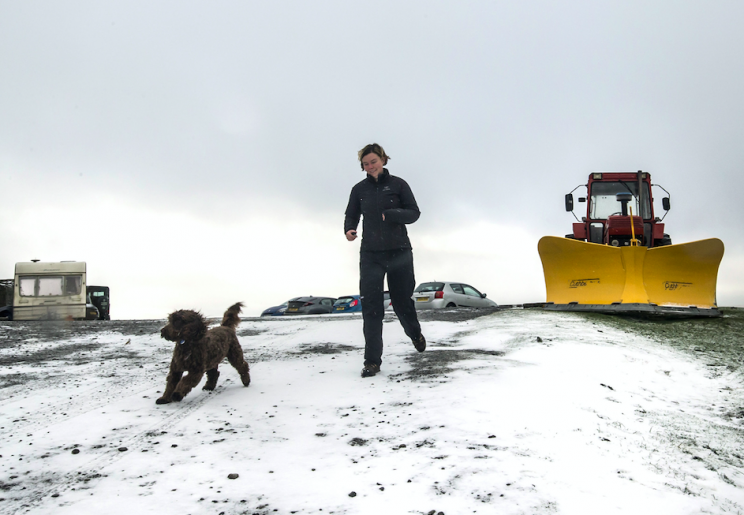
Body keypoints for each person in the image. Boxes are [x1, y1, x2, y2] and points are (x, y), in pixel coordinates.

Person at [344, 143, 426, 378]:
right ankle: (372, 361)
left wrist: (391, 214)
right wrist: (350, 229)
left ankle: (415, 333)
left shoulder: (399, 185)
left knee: (401, 303)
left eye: (373, 161)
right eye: (365, 164)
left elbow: (414, 213)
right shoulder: (359, 190)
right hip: (371, 255)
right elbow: (351, 213)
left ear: (382, 159)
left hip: (399, 252)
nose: (369, 166)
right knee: (371, 308)